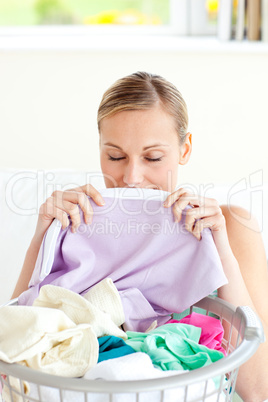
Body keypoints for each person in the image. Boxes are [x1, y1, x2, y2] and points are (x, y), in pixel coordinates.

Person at [12, 71, 268, 401]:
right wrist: (42, 238)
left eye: (153, 157)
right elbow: (14, 341)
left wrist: (220, 247)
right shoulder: (78, 224)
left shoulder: (231, 225)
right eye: (115, 156)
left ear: (185, 149)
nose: (131, 177)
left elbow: (259, 389)